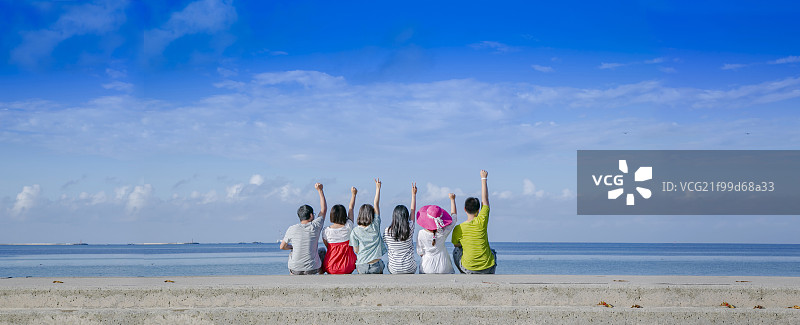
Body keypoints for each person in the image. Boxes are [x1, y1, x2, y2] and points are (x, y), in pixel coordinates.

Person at [452, 169, 497, 274]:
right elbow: (485, 200)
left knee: (456, 252)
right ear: (478, 210)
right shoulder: (482, 220)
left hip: (468, 268)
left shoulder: (459, 228)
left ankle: (464, 273)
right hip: (487, 268)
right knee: (493, 252)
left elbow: (456, 245)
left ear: (464, 209)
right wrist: (483, 178)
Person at [279, 182, 327, 275]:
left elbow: (282, 246)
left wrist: (293, 247)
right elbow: (323, 209)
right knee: (322, 250)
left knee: (292, 253)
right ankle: (321, 275)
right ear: (311, 215)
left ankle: (293, 276)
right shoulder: (315, 226)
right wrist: (320, 190)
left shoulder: (292, 229)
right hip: (312, 269)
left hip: (295, 269)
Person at [350, 178, 388, 274]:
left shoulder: (355, 231)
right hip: (376, 265)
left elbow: (356, 250)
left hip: (362, 265)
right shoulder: (375, 225)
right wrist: (378, 188)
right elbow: (376, 204)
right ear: (372, 215)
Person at [416, 192, 457, 274]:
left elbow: (420, 252)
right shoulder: (443, 232)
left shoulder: (421, 233)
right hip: (444, 267)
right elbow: (454, 218)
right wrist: (452, 200)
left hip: (427, 268)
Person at [382, 182, 418, 274]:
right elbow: (413, 212)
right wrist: (413, 195)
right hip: (409, 268)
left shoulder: (387, 231)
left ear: (394, 216)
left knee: (388, 265)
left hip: (394, 269)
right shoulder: (410, 227)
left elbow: (386, 243)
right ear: (406, 216)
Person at [321, 187, 358, 274]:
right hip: (348, 266)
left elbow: (328, 248)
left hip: (331, 267)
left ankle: (321, 273)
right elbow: (351, 208)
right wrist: (354, 194)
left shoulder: (326, 231)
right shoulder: (348, 226)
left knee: (322, 250)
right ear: (344, 215)